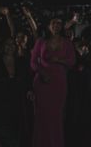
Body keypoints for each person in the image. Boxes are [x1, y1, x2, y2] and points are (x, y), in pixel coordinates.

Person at [30, 17, 75, 147]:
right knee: (42, 116)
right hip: (42, 83)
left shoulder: (67, 43)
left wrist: (59, 60)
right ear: (49, 26)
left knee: (56, 115)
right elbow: (33, 63)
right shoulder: (41, 41)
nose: (56, 25)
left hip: (59, 83)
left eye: (59, 23)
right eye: (53, 23)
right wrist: (42, 73)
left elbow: (72, 62)